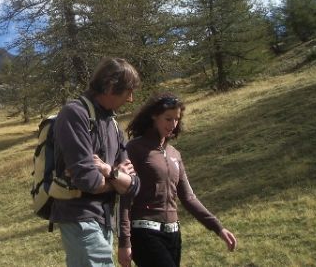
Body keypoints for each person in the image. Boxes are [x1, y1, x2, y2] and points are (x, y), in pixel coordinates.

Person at [122, 92, 237, 267]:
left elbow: (189, 198)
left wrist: (218, 228)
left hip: (173, 234)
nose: (173, 125)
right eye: (168, 119)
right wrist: (124, 241)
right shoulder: (135, 148)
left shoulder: (175, 154)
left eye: (176, 119)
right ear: (154, 116)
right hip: (144, 233)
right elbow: (125, 197)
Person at [50, 57, 142, 267]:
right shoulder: (75, 114)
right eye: (128, 91)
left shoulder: (113, 123)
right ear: (110, 86)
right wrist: (117, 178)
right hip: (79, 216)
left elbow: (134, 185)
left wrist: (107, 171)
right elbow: (88, 181)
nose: (131, 99)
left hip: (104, 218)